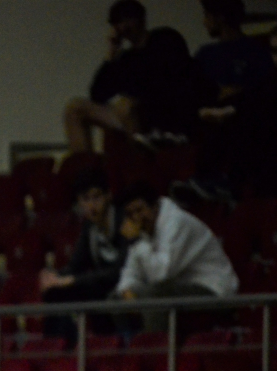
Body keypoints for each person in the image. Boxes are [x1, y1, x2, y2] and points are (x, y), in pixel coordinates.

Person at [63, 0, 202, 152]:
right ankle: (83, 164)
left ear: (140, 19)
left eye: (127, 20)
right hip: (130, 115)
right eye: (118, 23)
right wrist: (111, 54)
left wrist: (137, 99)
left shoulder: (164, 39)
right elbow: (97, 95)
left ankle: (141, 160)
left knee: (126, 106)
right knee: (74, 109)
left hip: (163, 111)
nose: (123, 27)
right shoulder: (125, 59)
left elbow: (175, 78)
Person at [172, 0, 277, 202]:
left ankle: (218, 183)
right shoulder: (205, 53)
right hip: (207, 112)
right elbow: (192, 90)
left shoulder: (255, 51)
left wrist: (235, 97)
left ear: (219, 17)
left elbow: (263, 91)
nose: (204, 22)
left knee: (236, 113)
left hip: (244, 117)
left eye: (206, 16)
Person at [114, 181, 238, 331]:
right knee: (115, 298)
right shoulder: (141, 230)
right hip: (179, 287)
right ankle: (129, 344)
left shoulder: (176, 222)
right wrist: (126, 290)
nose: (136, 217)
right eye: (130, 214)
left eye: (139, 210)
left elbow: (161, 274)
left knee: (155, 295)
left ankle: (156, 344)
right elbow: (130, 271)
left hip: (212, 289)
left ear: (155, 206)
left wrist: (136, 241)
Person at [40, 167, 132, 340]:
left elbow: (119, 270)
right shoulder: (89, 227)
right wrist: (54, 277)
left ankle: (108, 342)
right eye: (85, 199)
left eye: (96, 197)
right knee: (54, 292)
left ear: (108, 195)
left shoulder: (124, 221)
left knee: (90, 290)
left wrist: (73, 280)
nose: (91, 205)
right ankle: (58, 346)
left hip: (126, 283)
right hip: (101, 287)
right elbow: (75, 265)